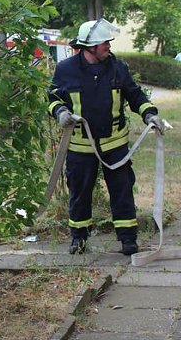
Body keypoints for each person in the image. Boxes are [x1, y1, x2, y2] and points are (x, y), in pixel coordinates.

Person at [47, 19, 164, 256]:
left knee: (122, 191)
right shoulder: (66, 70)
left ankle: (128, 240)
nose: (108, 46)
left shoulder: (118, 68)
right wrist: (60, 112)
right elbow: (52, 97)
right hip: (80, 147)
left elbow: (136, 96)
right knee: (79, 195)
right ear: (89, 47)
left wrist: (150, 115)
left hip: (116, 146)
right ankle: (78, 239)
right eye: (104, 43)